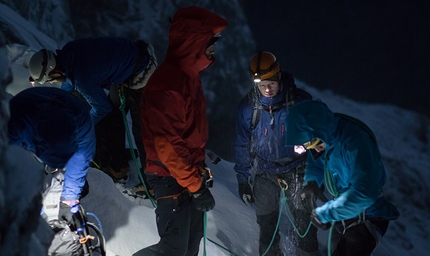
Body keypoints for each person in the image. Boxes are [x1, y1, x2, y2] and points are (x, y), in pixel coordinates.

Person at [133, 6, 228, 256]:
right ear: (195, 43)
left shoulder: (188, 77)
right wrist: (196, 186)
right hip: (170, 177)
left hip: (186, 174)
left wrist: (196, 181)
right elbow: (169, 147)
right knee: (172, 251)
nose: (214, 49)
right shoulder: (170, 84)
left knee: (189, 247)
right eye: (211, 42)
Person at [27, 37, 157, 194]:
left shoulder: (82, 76)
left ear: (54, 72)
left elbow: (101, 107)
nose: (53, 82)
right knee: (113, 115)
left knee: (143, 130)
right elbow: (69, 83)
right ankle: (118, 166)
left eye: (51, 79)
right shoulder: (68, 54)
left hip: (142, 71)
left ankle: (153, 184)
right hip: (128, 60)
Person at [284, 100, 400, 256]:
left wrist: (326, 213)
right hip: (343, 214)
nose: (313, 149)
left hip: (367, 216)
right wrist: (312, 182)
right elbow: (316, 164)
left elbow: (364, 192)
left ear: (320, 132)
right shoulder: (324, 137)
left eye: (312, 144)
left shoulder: (355, 141)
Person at [234, 51, 320, 256]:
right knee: (266, 225)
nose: (267, 89)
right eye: (262, 84)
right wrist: (243, 180)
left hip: (295, 169)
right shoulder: (249, 108)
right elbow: (241, 144)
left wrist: (316, 176)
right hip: (265, 171)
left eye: (271, 83)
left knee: (304, 225)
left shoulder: (298, 102)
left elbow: (319, 140)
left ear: (279, 77)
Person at [7, 86, 96, 224]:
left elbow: (79, 166)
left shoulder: (83, 131)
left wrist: (68, 201)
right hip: (25, 113)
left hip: (69, 112)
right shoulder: (13, 123)